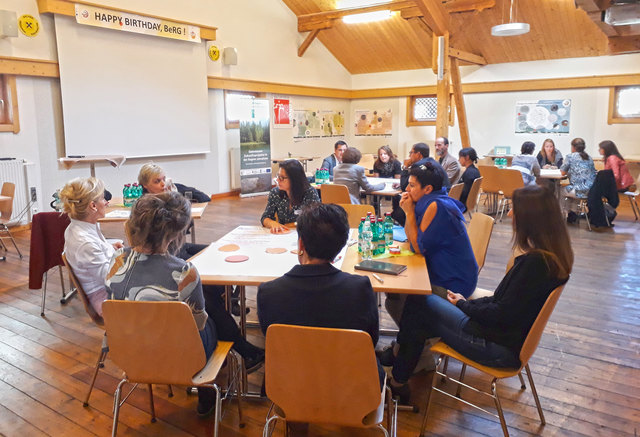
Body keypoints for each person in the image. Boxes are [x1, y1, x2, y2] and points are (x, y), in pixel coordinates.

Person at [384, 185, 573, 403]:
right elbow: (503, 303)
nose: (510, 214)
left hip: (496, 348)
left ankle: (400, 370)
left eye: (514, 210)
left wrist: (464, 306)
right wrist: (464, 302)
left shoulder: (534, 265)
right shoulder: (552, 259)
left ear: (530, 219)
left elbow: (500, 312)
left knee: (419, 302)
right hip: (503, 339)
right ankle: (401, 371)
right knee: (424, 303)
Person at [106, 192, 263, 417]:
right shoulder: (183, 271)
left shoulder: (117, 259)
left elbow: (112, 297)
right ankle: (208, 393)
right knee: (211, 317)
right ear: (174, 233)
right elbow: (198, 324)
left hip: (130, 351)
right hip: (182, 356)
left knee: (204, 310)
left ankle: (234, 363)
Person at [257, 203, 383, 387]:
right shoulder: (360, 289)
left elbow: (272, 344)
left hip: (290, 389)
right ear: (341, 247)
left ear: (301, 243)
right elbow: (371, 340)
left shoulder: (269, 292)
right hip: (352, 391)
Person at [385, 163, 477, 328]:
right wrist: (409, 212)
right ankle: (411, 343)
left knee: (402, 296)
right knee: (395, 296)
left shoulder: (436, 206)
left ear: (427, 189)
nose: (407, 188)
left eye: (412, 185)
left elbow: (417, 247)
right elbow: (412, 237)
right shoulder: (431, 200)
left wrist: (409, 213)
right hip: (442, 271)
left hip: (453, 284)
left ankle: (421, 346)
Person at [60, 177, 123, 316]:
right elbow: (110, 279)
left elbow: (96, 257)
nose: (106, 202)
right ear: (93, 206)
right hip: (106, 300)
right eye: (103, 199)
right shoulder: (84, 242)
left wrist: (111, 248)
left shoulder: (79, 226)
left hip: (106, 289)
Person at [391, 142, 449, 226]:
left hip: (430, 199)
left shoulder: (419, 166)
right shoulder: (432, 163)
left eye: (411, 153)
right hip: (443, 197)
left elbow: (404, 187)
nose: (409, 156)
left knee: (399, 210)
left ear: (418, 154)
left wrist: (405, 167)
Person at [261, 159, 320, 233]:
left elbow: (314, 221)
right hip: (284, 234)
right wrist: (273, 224)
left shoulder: (309, 193)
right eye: (278, 176)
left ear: (294, 179)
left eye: (282, 178)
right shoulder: (275, 192)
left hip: (304, 234)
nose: (278, 180)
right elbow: (265, 217)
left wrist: (288, 226)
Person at [560, 138, 597, 218]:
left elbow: (562, 173)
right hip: (590, 190)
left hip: (577, 190)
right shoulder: (589, 158)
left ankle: (564, 212)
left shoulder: (570, 157)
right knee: (571, 185)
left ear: (573, 147)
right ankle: (574, 211)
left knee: (560, 186)